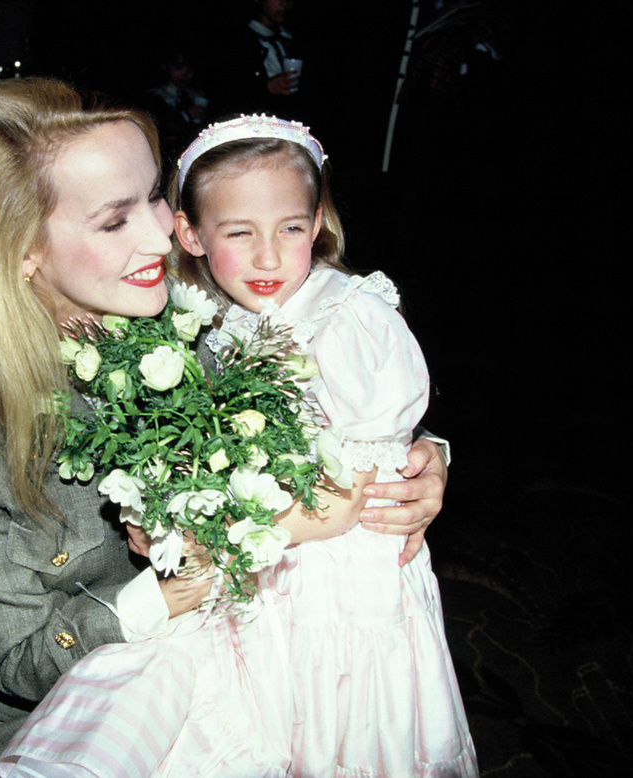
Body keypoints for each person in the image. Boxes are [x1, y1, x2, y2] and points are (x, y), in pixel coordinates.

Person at [0, 78, 448, 778]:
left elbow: (328, 385)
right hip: (46, 701)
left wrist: (416, 461)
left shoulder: (187, 306)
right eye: (114, 220)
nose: (164, 235)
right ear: (20, 248)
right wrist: (169, 590)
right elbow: (23, 662)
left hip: (230, 646)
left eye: (154, 195)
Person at [174, 115, 478, 775]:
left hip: (341, 581)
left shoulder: (348, 317)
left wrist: (216, 538)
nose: (267, 257)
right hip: (270, 558)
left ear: (316, 224)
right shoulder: (218, 319)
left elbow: (360, 481)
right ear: (191, 234)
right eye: (239, 233)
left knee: (338, 728)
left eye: (289, 228)